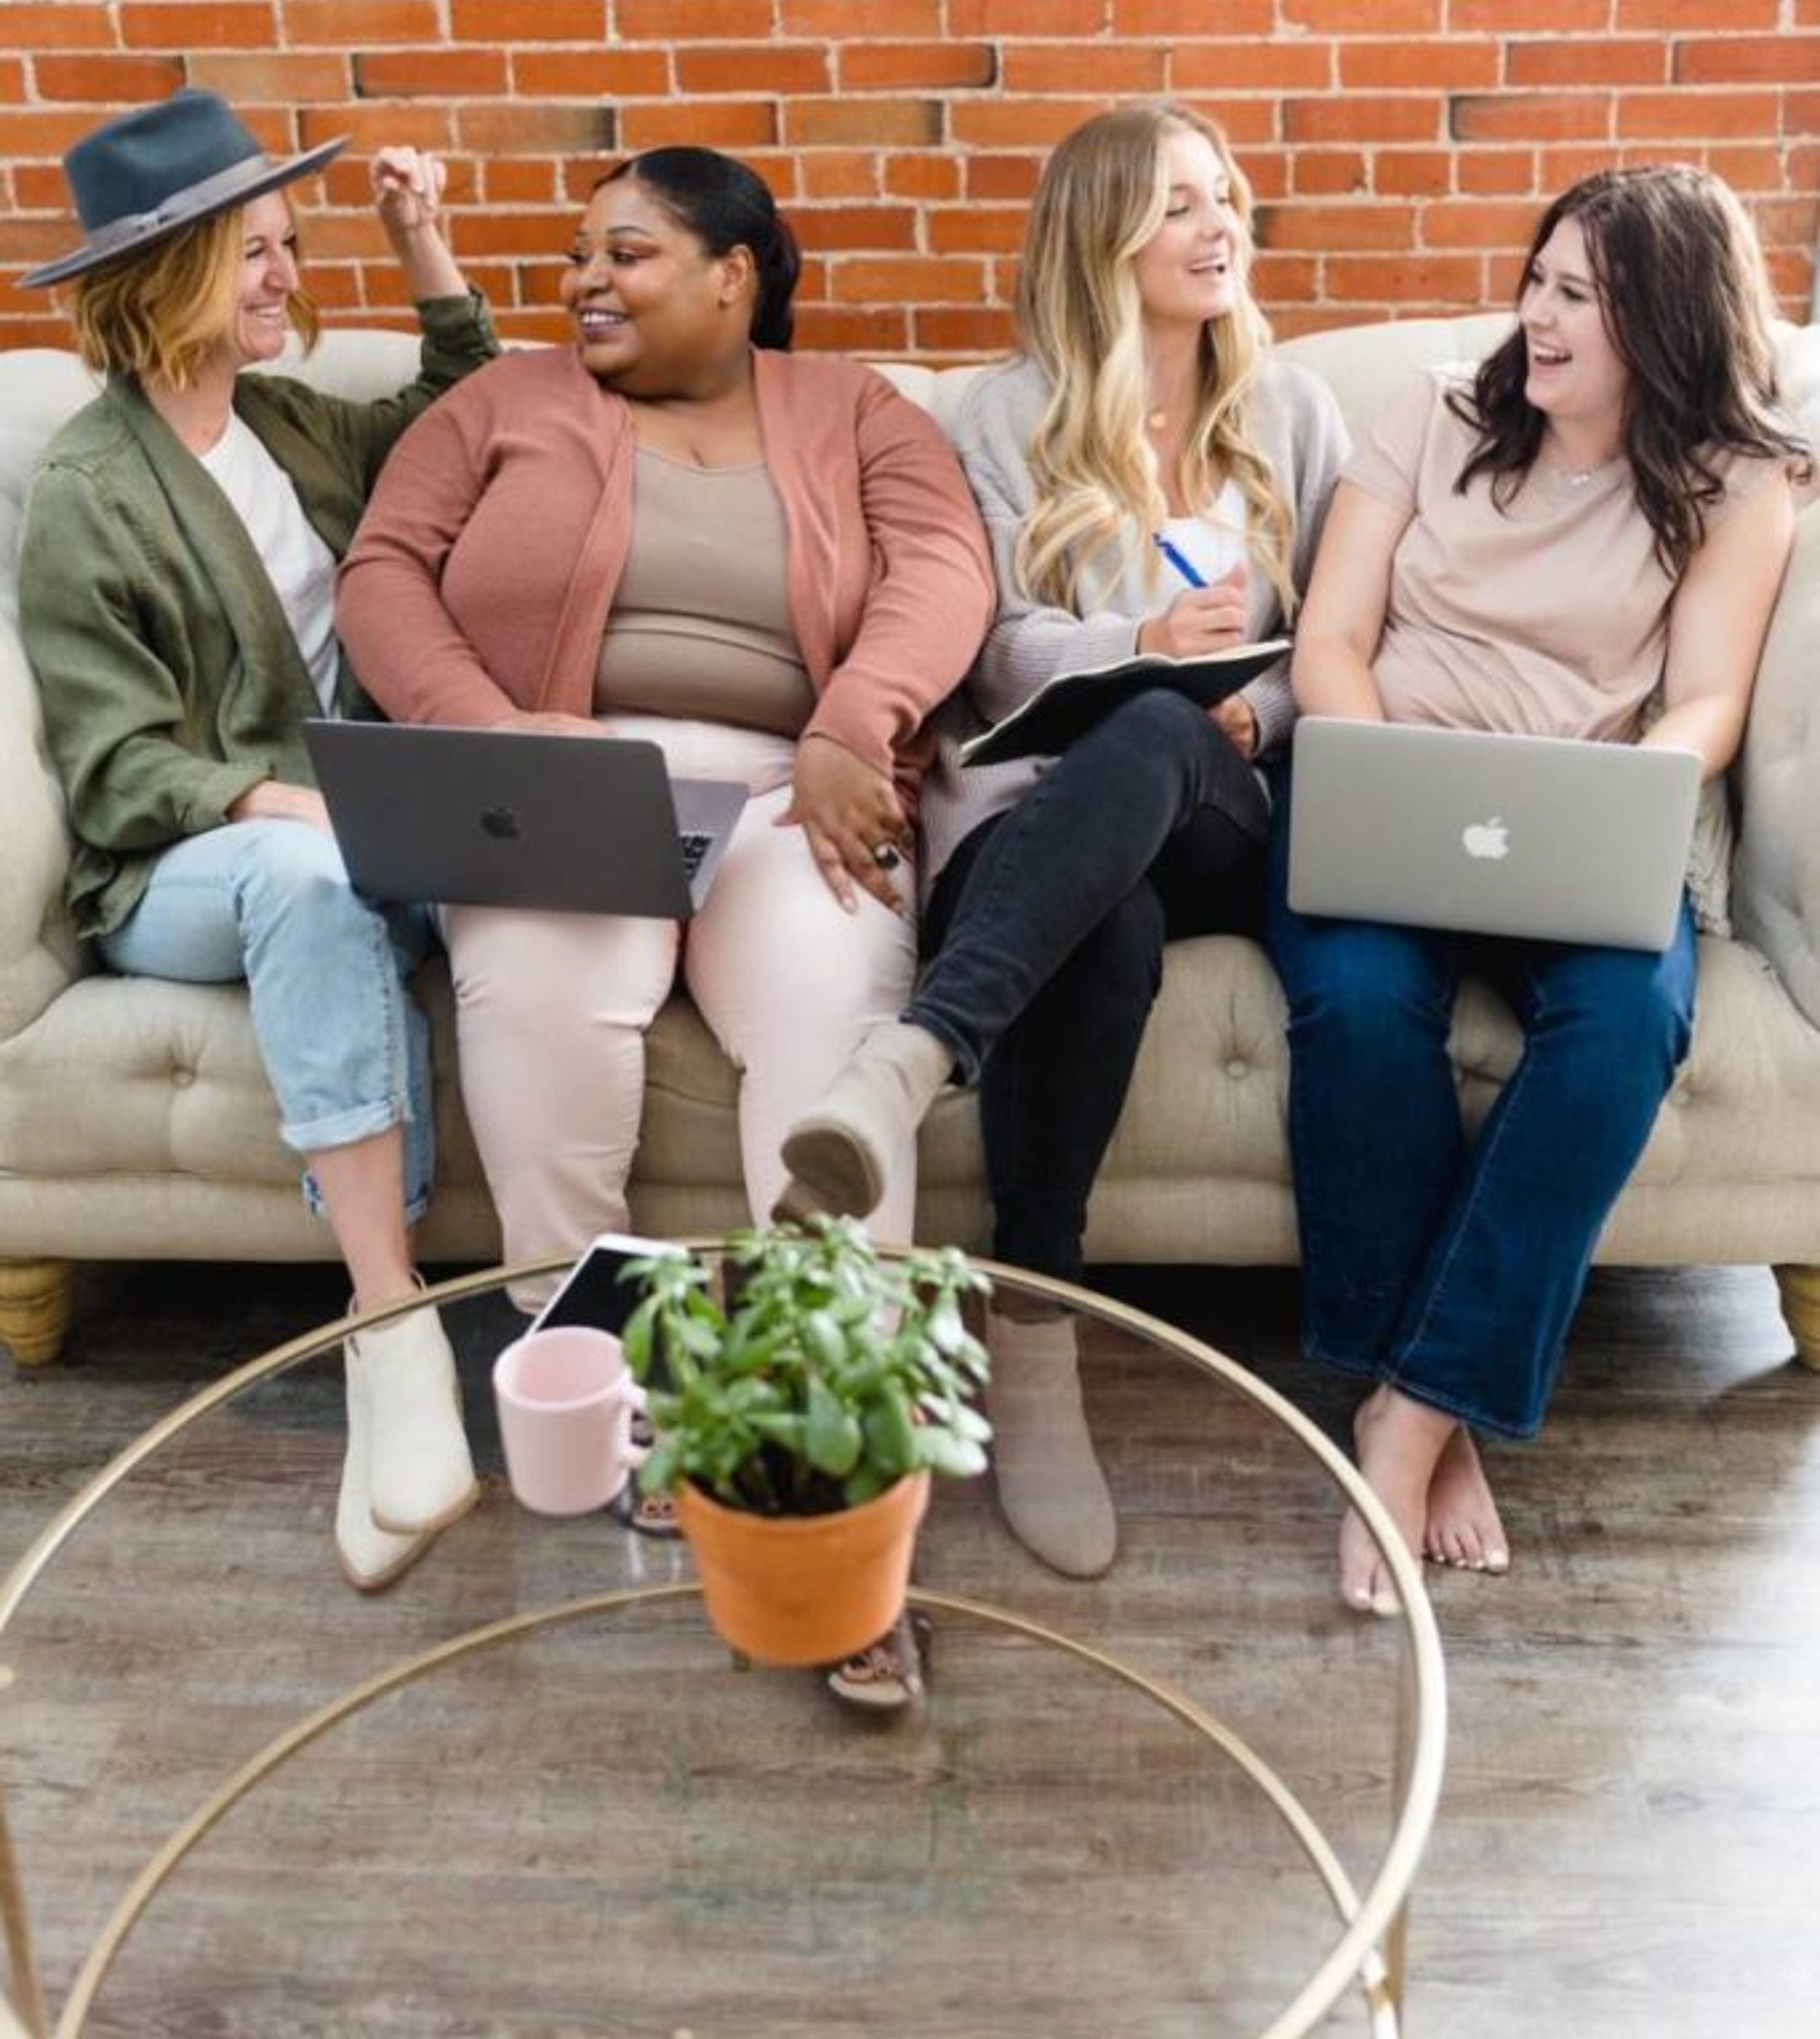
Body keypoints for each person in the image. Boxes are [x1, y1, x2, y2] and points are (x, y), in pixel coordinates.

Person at [335, 144, 996, 1703]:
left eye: (625, 253)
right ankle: (617, 1400)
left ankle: (810, 1445)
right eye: (578, 256)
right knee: (544, 1009)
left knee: (835, 1031)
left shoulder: (856, 410)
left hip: (791, 789)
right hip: (564, 779)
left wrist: (857, 718)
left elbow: (943, 569)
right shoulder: (496, 403)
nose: (584, 281)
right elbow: (383, 576)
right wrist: (490, 730)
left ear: (733, 275)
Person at [780, 102, 1349, 1580]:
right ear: (1104, 236)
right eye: (1178, 206)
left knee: (1167, 728)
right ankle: (1036, 1341)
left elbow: (1347, 637)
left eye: (1225, 197)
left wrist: (1261, 710)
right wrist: (1136, 642)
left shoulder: (1293, 416)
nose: (1219, 226)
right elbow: (984, 646)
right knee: (1110, 916)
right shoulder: (990, 417)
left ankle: (917, 1052)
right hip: (1038, 829)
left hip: (1219, 810)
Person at [1265, 164, 1807, 1617]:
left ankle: (1414, 1413)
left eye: (1582, 295)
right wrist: (1375, 760)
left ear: (1668, 322)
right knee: (1362, 999)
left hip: (1576, 828)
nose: (1538, 317)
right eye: (1540, 280)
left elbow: (1709, 706)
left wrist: (1624, 793)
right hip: (1389, 789)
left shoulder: (1740, 482)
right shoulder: (1433, 415)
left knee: (1628, 1028)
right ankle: (1426, 1420)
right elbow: (1332, 637)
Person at [16, 85, 500, 1594]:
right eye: (257, 258)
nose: (290, 278)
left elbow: (456, 413)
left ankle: (420, 1371)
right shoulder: (89, 491)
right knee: (312, 873)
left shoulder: (286, 422)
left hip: (346, 839)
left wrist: (422, 238)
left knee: (379, 874)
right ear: (166, 284)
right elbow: (114, 764)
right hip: (181, 869)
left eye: (292, 247)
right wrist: (279, 800)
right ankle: (389, 1321)